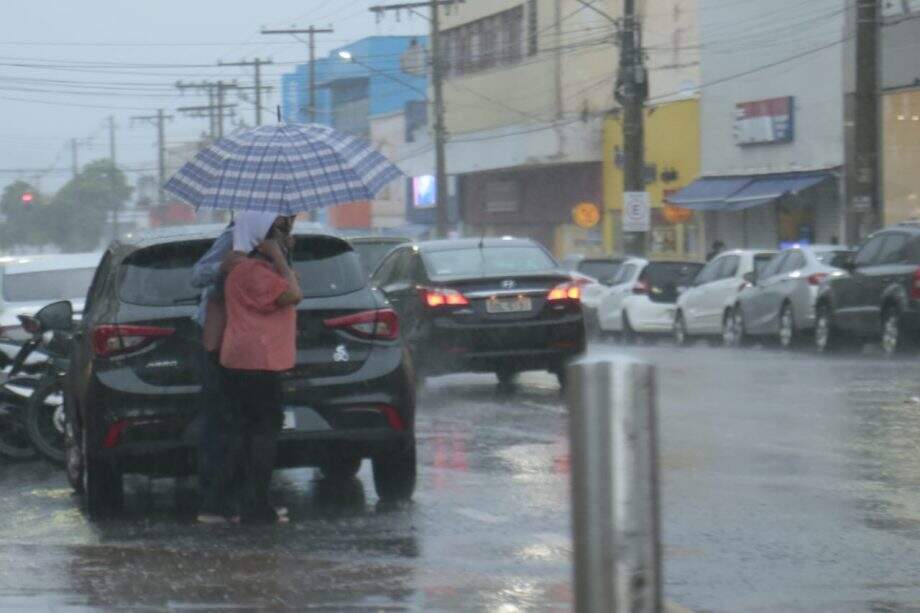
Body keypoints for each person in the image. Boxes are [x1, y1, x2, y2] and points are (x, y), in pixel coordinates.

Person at [218, 211, 302, 524]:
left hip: (241, 360)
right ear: (261, 236)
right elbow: (294, 294)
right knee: (263, 434)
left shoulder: (239, 266)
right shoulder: (254, 270)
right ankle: (256, 506)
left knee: (244, 432)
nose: (283, 233)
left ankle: (239, 502)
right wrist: (278, 256)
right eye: (277, 229)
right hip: (260, 361)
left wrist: (282, 257)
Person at [190, 221, 243, 524]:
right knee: (221, 420)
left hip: (255, 340)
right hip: (221, 339)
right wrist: (225, 266)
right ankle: (215, 501)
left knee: (246, 422)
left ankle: (242, 499)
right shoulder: (237, 235)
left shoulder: (279, 240)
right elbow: (198, 274)